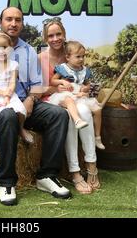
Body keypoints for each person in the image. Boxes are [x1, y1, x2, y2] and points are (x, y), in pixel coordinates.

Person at [0, 7, 71, 206]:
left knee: (59, 115)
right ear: (1, 22)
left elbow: (38, 86)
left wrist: (30, 99)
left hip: (24, 103)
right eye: (9, 19)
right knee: (7, 115)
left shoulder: (28, 51)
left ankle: (46, 176)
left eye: (18, 20)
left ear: (22, 24)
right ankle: (6, 182)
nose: (13, 23)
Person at [39, 17, 100, 195]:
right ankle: (75, 172)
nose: (55, 38)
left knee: (83, 112)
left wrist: (84, 89)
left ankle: (91, 166)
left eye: (59, 34)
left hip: (75, 99)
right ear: (45, 38)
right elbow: (38, 89)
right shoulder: (41, 58)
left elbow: (84, 81)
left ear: (64, 34)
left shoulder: (73, 53)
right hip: (53, 99)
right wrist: (57, 86)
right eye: (51, 35)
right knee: (68, 116)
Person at [0, 31, 33, 173]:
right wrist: (2, 93)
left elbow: (12, 83)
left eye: (4, 47)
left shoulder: (13, 64)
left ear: (10, 48)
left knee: (20, 110)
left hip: (9, 94)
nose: (0, 51)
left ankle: (20, 128)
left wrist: (8, 94)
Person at [50, 41, 105, 150]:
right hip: (69, 92)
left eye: (83, 56)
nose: (81, 59)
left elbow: (88, 84)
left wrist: (86, 88)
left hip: (80, 93)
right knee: (69, 101)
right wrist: (63, 82)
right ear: (68, 57)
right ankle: (77, 120)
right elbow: (53, 81)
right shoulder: (63, 68)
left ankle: (97, 137)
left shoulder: (84, 70)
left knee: (98, 110)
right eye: (78, 56)